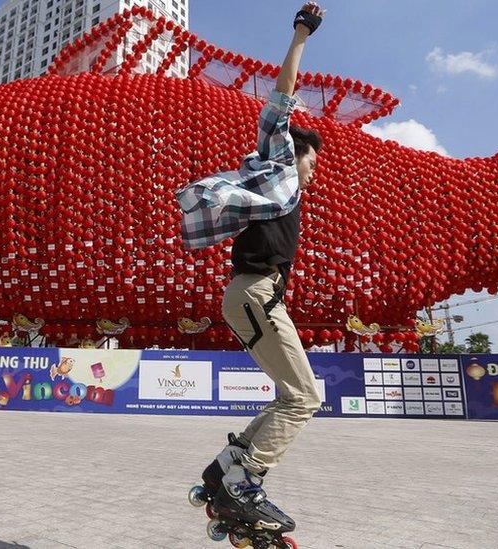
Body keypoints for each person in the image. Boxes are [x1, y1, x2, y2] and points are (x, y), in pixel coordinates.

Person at [176, 2, 326, 532]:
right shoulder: (280, 164)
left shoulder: (286, 198)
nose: (314, 170)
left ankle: (224, 471)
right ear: (296, 152)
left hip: (256, 296)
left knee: (294, 394)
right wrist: (301, 35)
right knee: (307, 397)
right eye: (313, 159)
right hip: (254, 293)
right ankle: (244, 480)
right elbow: (279, 103)